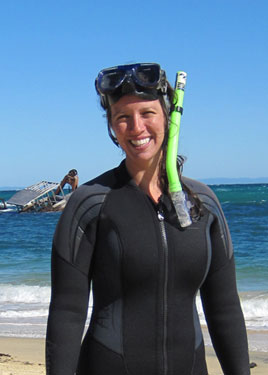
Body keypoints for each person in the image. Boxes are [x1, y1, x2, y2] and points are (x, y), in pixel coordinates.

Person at [45, 63, 250, 375]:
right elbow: (67, 312)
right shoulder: (90, 203)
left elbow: (224, 309)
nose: (136, 127)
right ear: (112, 127)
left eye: (147, 113)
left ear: (168, 117)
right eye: (123, 118)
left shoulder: (203, 203)